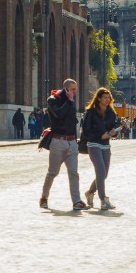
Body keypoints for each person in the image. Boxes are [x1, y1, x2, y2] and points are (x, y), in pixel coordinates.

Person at [41, 79, 86, 210]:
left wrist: (76, 142)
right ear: (65, 89)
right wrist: (69, 101)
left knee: (73, 173)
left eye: (75, 89)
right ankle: (44, 197)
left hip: (71, 142)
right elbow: (58, 114)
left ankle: (76, 201)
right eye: (72, 89)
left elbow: (73, 123)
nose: (75, 92)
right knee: (52, 173)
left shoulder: (70, 101)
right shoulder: (52, 100)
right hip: (58, 141)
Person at [82, 87, 120, 209]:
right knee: (100, 171)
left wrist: (115, 132)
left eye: (109, 97)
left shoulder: (111, 113)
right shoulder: (91, 112)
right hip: (93, 144)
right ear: (98, 98)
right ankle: (103, 200)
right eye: (105, 97)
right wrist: (99, 136)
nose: (107, 99)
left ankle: (90, 192)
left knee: (104, 174)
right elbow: (86, 131)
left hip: (105, 145)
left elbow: (112, 128)